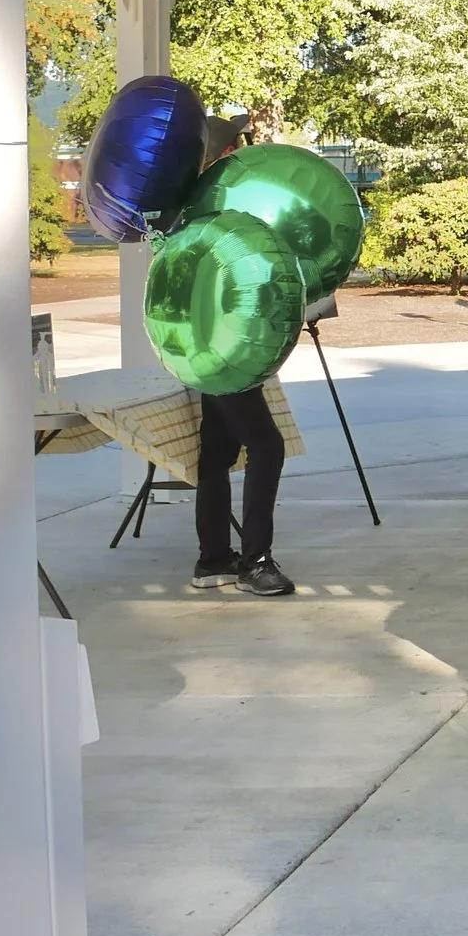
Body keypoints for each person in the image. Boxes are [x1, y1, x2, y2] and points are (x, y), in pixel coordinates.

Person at [189, 114, 295, 598]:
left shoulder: (192, 211)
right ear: (222, 156)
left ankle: (213, 558)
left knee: (218, 449)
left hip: (200, 344)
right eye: (239, 144)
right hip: (226, 345)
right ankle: (254, 562)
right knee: (266, 446)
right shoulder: (214, 212)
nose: (245, 150)